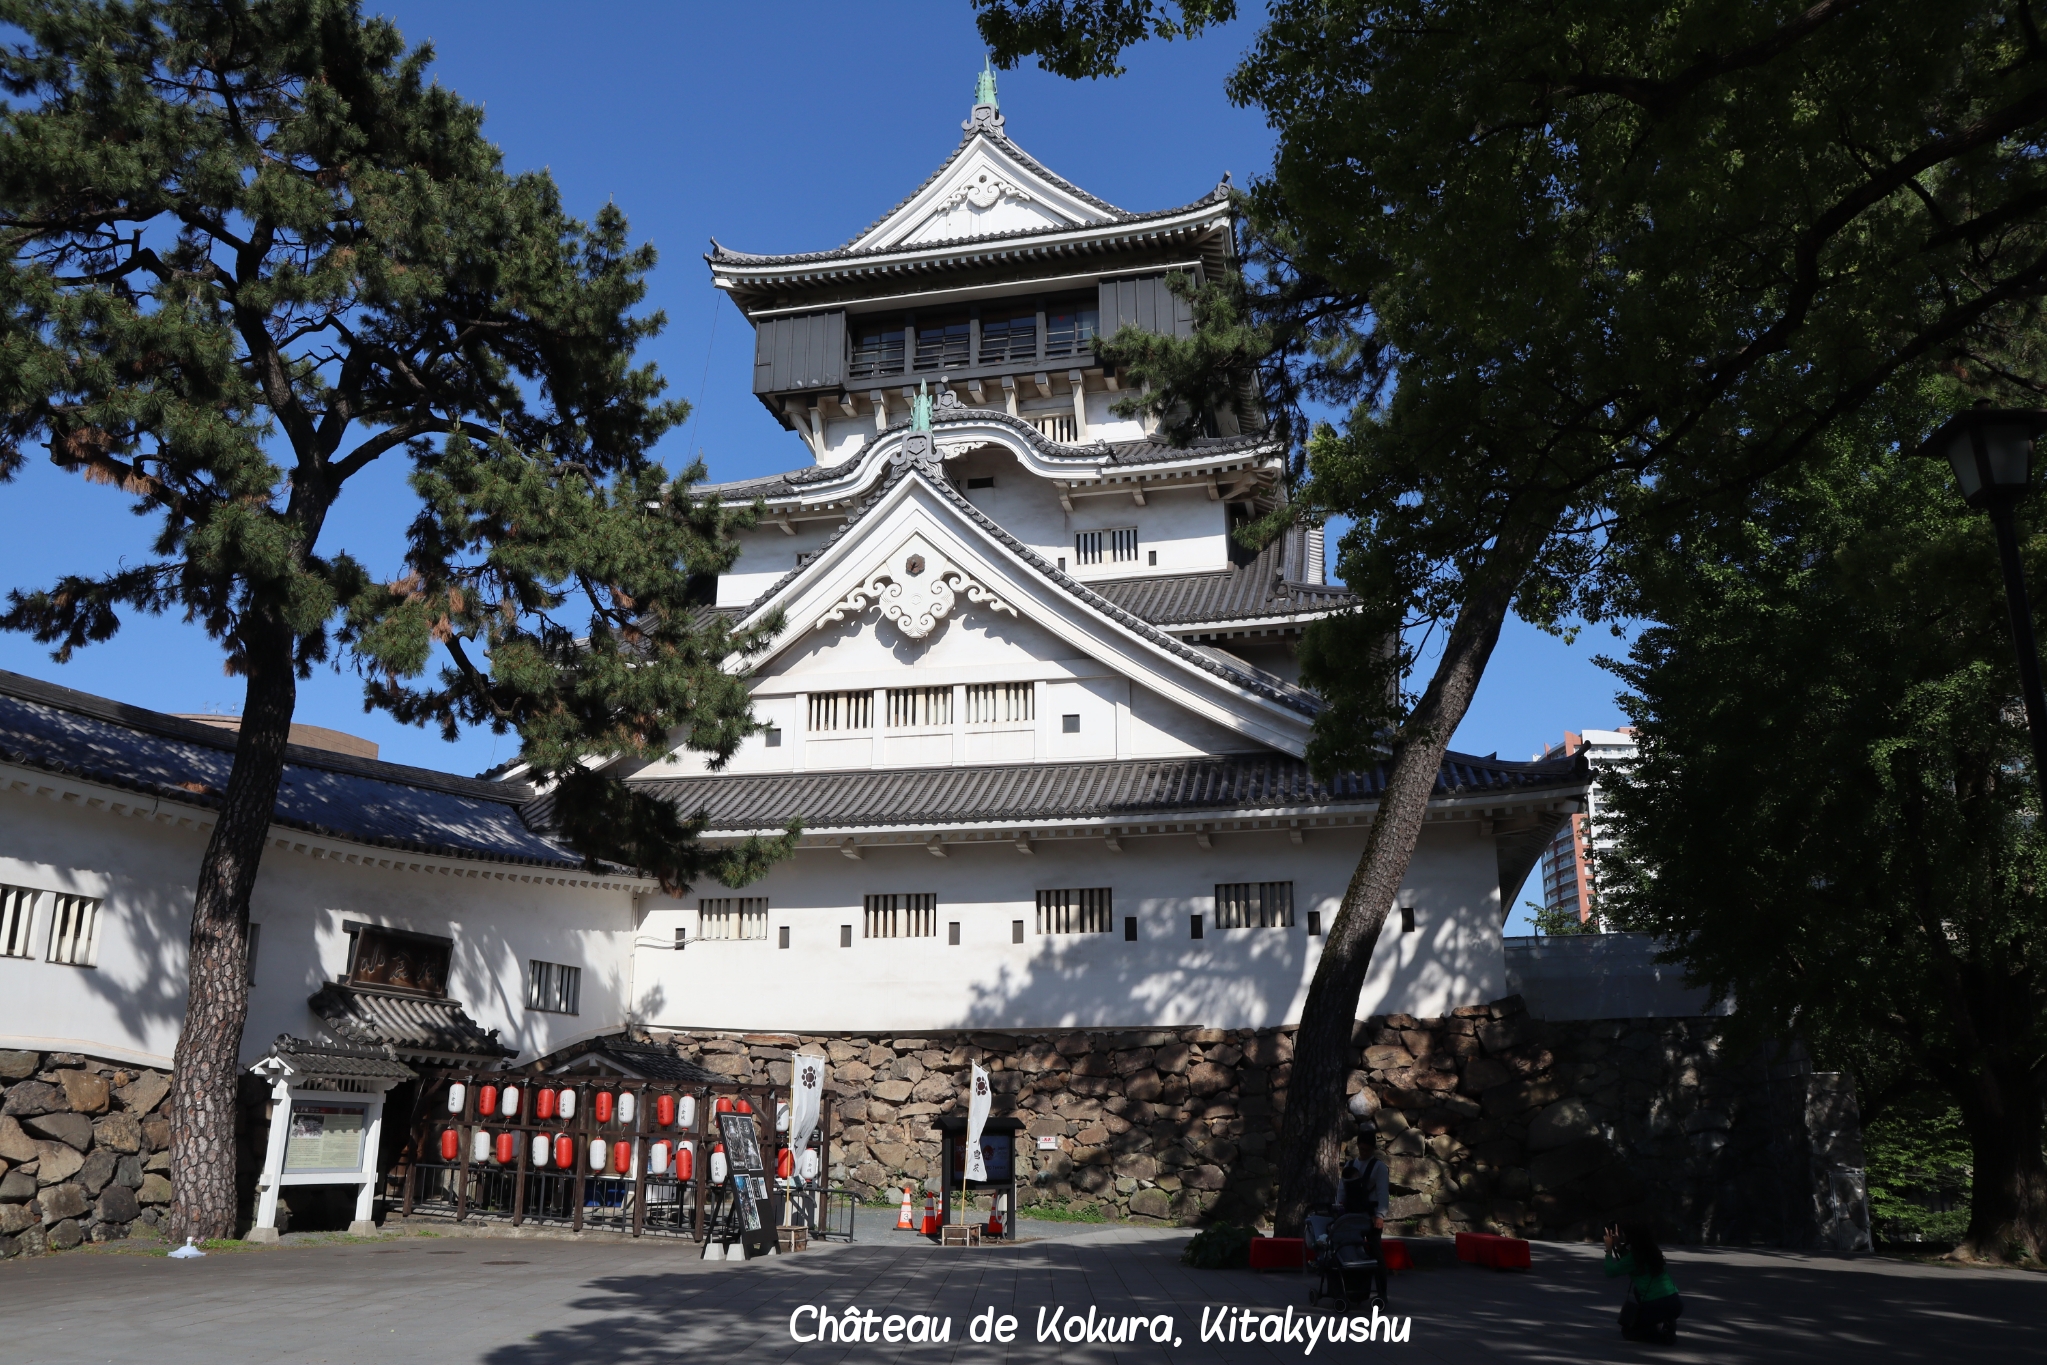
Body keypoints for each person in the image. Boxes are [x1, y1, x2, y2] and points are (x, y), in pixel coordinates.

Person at [1332, 1091, 1391, 1308]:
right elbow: (1342, 1189)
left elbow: (1383, 1192)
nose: (1364, 1152)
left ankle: (1382, 1292)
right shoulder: (1350, 1166)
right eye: (1361, 1149)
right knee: (1346, 1248)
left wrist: (1380, 1215)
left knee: (1376, 1253)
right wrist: (1339, 1207)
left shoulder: (1379, 1168)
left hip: (1370, 1214)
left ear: (1373, 1149)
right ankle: (1349, 1289)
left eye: (1367, 1150)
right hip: (1350, 1214)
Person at [1603, 1222, 1683, 1344]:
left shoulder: (1633, 1258)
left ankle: (1663, 1336)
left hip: (1657, 1305)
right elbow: (1633, 1262)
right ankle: (1666, 1321)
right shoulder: (1653, 1252)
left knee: (1628, 1331)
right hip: (1675, 1303)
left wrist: (1608, 1250)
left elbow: (1610, 1272)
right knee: (1637, 1291)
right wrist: (1618, 1246)